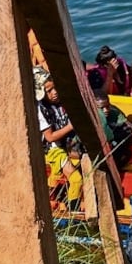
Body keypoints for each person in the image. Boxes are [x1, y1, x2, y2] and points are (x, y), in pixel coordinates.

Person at [35, 68, 82, 210]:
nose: (54, 92)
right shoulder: (41, 109)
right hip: (53, 150)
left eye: (55, 88)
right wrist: (71, 126)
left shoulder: (60, 101)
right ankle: (73, 211)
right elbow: (50, 137)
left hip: (65, 145)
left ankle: (55, 200)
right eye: (49, 91)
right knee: (76, 180)